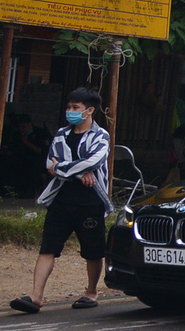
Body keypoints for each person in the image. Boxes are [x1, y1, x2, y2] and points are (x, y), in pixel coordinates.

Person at [11, 87, 113, 313]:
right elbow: (50, 164)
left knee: (93, 251)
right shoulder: (60, 134)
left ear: (89, 111)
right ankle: (36, 296)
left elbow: (92, 161)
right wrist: (78, 172)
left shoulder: (101, 136)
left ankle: (91, 292)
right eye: (69, 107)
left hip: (90, 202)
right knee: (48, 247)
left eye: (75, 108)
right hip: (61, 200)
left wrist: (66, 167)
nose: (70, 111)